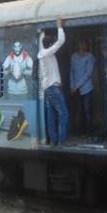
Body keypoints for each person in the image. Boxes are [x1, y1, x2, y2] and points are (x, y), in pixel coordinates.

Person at [38, 17, 68, 146]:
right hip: (52, 88)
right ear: (50, 45)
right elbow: (61, 41)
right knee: (64, 113)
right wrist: (59, 26)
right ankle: (61, 141)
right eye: (52, 43)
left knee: (51, 115)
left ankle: (53, 140)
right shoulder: (48, 53)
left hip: (48, 88)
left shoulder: (43, 54)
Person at [70, 40, 96, 137]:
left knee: (87, 110)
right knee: (79, 111)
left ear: (86, 45)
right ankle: (80, 132)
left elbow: (88, 74)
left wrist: (76, 86)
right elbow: (71, 71)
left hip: (87, 89)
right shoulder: (73, 56)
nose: (82, 45)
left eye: (83, 43)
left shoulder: (90, 57)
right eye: (80, 43)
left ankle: (89, 132)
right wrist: (72, 86)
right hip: (75, 89)